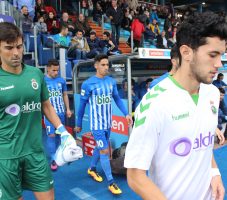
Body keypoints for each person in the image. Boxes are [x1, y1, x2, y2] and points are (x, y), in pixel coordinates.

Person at [124, 11, 227, 200]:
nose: (219, 64)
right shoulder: (155, 103)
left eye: (221, 55)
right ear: (186, 52)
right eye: (213, 55)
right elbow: (135, 176)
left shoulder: (212, 93)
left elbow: (204, 144)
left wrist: (214, 173)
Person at [0, 22, 73, 200]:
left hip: (35, 154)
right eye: (9, 48)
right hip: (7, 157)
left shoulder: (36, 74)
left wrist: (63, 132)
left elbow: (46, 105)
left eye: (19, 46)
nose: (16, 53)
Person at [74, 54, 133, 195]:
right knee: (105, 151)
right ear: (96, 65)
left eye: (107, 65)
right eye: (103, 65)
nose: (106, 67)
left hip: (108, 123)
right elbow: (81, 106)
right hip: (97, 126)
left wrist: (126, 113)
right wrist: (79, 124)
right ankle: (111, 183)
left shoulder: (111, 82)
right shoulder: (88, 84)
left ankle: (92, 168)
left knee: (101, 147)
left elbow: (117, 99)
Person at [44, 59, 72, 171]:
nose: (56, 72)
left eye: (57, 70)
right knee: (51, 135)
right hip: (49, 114)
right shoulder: (43, 81)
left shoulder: (61, 81)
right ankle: (53, 160)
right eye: (54, 70)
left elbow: (65, 95)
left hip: (61, 113)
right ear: (48, 69)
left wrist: (68, 109)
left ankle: (60, 155)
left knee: (61, 135)